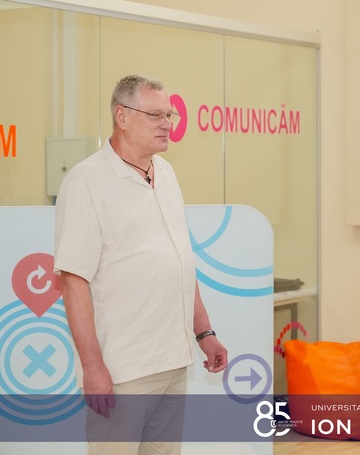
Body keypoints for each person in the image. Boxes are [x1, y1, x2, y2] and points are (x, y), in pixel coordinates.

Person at [54, 74, 228, 454]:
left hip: (173, 361)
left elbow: (179, 259)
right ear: (122, 116)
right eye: (155, 115)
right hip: (123, 370)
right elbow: (73, 281)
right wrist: (92, 367)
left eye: (169, 115)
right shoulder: (86, 182)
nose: (167, 124)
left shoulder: (165, 173)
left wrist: (204, 333)